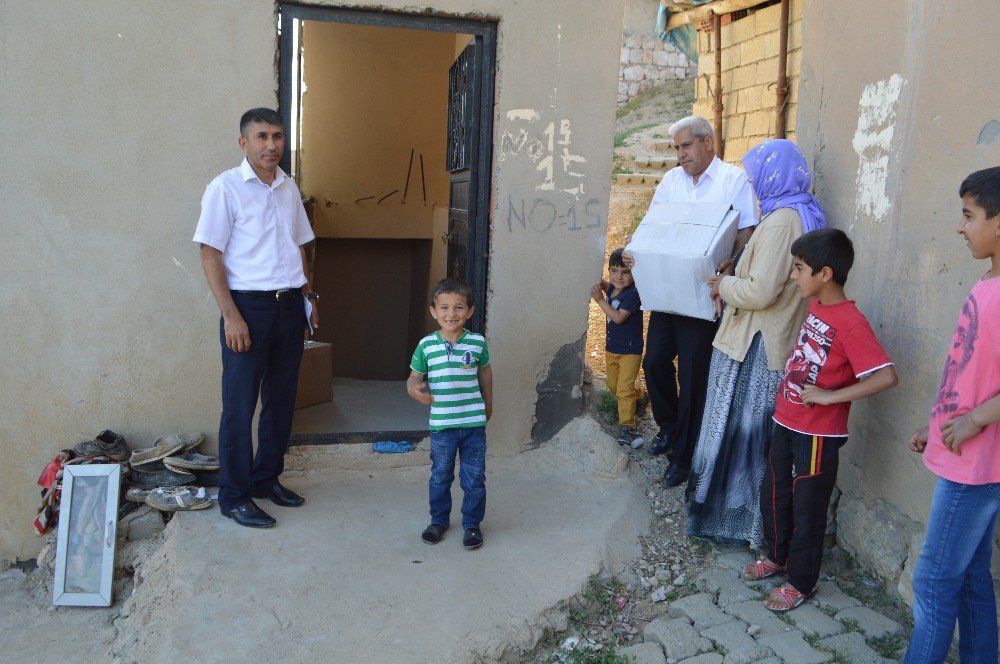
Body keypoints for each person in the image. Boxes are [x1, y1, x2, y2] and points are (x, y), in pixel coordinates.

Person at [745, 228, 898, 612]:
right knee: (775, 493)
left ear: (825, 274)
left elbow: (885, 376)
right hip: (787, 419)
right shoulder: (816, 307)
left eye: (798, 269)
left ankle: (800, 582)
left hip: (817, 433)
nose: (793, 276)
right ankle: (778, 557)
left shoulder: (852, 322)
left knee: (807, 506)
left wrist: (831, 396)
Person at [686, 139, 824, 546]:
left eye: (755, 176)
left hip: (756, 345)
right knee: (748, 438)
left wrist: (724, 284)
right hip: (761, 340)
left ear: (773, 174)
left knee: (741, 437)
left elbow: (762, 291)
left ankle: (732, 523)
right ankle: (739, 521)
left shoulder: (783, 221)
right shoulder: (792, 213)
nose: (751, 184)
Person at [193, 107, 319, 529]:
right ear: (243, 142)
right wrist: (230, 314)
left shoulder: (287, 187)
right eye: (262, 136)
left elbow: (300, 244)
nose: (272, 145)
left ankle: (267, 480)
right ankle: (234, 496)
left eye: (278, 137)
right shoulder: (225, 188)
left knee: (281, 402)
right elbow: (209, 252)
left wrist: (308, 294)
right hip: (247, 308)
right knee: (239, 406)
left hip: (288, 308)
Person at [625, 115, 759, 487]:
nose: (680, 155)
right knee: (654, 362)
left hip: (705, 294)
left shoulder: (733, 179)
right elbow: (652, 225)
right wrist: (636, 251)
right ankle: (669, 428)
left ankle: (684, 457)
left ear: (708, 142)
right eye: (677, 149)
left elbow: (746, 230)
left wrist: (733, 262)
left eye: (686, 146)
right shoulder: (671, 181)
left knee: (693, 376)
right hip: (668, 290)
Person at [904, 167, 1000, 663]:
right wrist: (939, 426)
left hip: (978, 464)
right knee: (967, 578)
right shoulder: (988, 281)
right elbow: (969, 372)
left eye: (969, 216)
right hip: (963, 449)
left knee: (934, 578)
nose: (960, 227)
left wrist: (975, 422)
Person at [407, 278, 493, 550]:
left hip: (473, 424)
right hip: (442, 426)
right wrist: (415, 391)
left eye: (458, 308)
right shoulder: (426, 346)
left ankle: (471, 525)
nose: (450, 314)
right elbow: (413, 378)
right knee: (440, 476)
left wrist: (488, 402)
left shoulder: (477, 343)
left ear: (469, 311)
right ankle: (439, 521)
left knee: (474, 478)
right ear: (433, 311)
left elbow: (486, 373)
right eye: (444, 308)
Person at [590, 248, 644, 445]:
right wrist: (596, 278)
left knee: (622, 389)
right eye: (614, 271)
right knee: (614, 385)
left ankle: (628, 428)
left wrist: (600, 301)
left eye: (625, 272)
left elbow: (618, 318)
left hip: (630, 350)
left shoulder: (633, 294)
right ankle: (639, 397)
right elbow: (607, 285)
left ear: (634, 273)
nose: (618, 277)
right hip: (612, 348)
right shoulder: (613, 287)